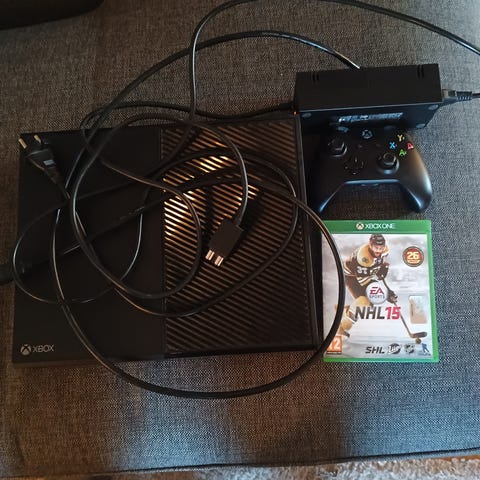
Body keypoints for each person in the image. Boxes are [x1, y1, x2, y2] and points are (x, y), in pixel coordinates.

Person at [339, 234, 397, 337]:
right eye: (376, 247)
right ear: (370, 245)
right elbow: (365, 282)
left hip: (364, 273)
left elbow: (379, 262)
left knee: (369, 302)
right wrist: (387, 293)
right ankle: (341, 327)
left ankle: (345, 312)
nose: (378, 250)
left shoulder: (385, 251)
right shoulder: (363, 257)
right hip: (352, 276)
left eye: (381, 247)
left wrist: (381, 268)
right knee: (365, 300)